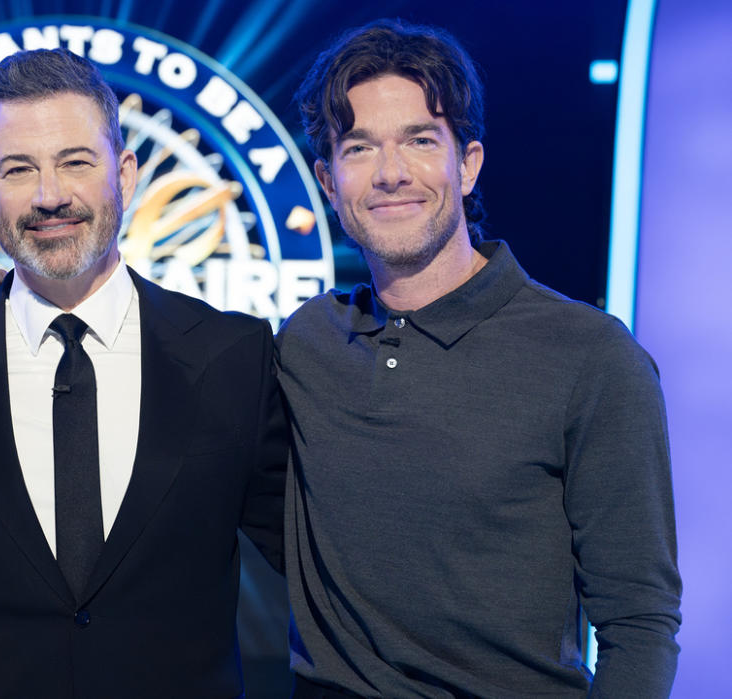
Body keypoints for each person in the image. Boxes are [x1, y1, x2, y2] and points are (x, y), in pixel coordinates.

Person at [279, 19, 681, 697]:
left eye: (419, 141)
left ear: (467, 164)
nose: (391, 173)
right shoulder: (308, 342)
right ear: (326, 178)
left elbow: (638, 623)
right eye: (359, 147)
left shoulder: (590, 357)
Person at [0, 48, 287, 698]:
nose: (49, 196)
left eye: (75, 161)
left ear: (124, 171)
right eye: (18, 169)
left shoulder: (234, 355)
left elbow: (329, 561)